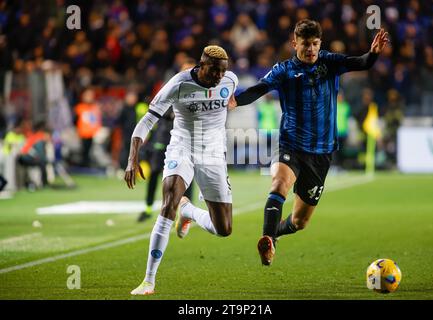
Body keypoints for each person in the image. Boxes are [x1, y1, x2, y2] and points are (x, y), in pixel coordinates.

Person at [229, 20, 389, 266]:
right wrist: (236, 101)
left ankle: (277, 234)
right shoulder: (284, 70)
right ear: (295, 43)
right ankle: (267, 239)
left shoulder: (330, 62)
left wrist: (373, 54)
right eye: (305, 44)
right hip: (291, 144)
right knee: (279, 183)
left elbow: (361, 62)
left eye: (315, 44)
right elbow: (259, 88)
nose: (311, 49)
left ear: (320, 43)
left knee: (299, 221)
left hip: (322, 152)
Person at [124, 45, 238, 295]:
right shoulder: (179, 83)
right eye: (214, 71)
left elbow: (230, 101)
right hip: (182, 147)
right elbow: (147, 120)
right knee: (168, 203)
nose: (219, 76)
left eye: (222, 71)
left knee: (224, 229)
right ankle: (148, 280)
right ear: (201, 65)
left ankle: (188, 211)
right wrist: (132, 158)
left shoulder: (231, 80)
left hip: (213, 154)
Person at [137, 59, 197, 223]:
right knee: (156, 172)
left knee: (187, 174)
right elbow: (158, 107)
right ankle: (148, 207)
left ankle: (186, 211)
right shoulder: (171, 86)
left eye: (192, 70)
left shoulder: (198, 91)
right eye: (186, 70)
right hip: (164, 137)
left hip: (184, 140)